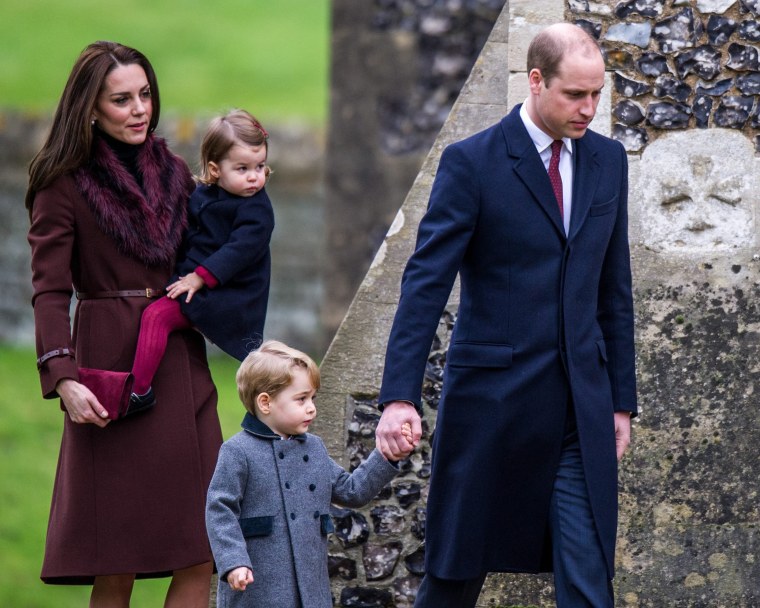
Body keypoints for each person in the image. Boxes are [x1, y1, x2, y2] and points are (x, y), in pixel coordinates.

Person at [375, 23, 638, 608]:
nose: (588, 109)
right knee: (453, 575)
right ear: (536, 80)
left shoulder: (609, 161)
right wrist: (398, 397)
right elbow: (424, 284)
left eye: (597, 94)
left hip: (580, 409)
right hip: (492, 404)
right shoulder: (471, 163)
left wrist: (620, 400)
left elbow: (613, 290)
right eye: (575, 94)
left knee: (590, 578)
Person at [26, 41, 222, 607]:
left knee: (204, 547)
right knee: (118, 562)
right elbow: (49, 291)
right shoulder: (61, 183)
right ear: (91, 107)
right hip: (110, 371)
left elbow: (213, 252)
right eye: (121, 99)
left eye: (145, 94)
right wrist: (63, 377)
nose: (139, 109)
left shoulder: (176, 173)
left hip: (180, 363)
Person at [205, 340, 411, 607]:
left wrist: (386, 456)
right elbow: (219, 509)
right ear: (265, 403)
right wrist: (233, 562)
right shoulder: (237, 451)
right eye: (301, 399)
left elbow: (352, 490)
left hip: (311, 591)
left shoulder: (314, 448)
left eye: (312, 397)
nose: (311, 407)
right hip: (258, 589)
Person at [129, 109, 275, 408]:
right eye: (242, 168)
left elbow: (239, 251)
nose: (254, 177)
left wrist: (200, 276)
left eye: (260, 166)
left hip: (227, 294)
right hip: (197, 283)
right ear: (215, 168)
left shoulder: (256, 210)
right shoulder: (203, 195)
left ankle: (138, 391)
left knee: (156, 317)